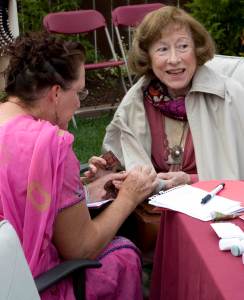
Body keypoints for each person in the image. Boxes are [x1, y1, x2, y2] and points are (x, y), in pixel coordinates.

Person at [0, 32, 157, 300]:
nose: (80, 101)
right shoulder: (50, 146)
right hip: (25, 285)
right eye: (80, 91)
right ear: (57, 93)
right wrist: (129, 196)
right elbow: (82, 248)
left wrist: (79, 185)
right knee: (124, 253)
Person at [102, 5, 244, 189]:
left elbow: (238, 173)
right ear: (148, 57)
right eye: (162, 49)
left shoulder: (231, 96)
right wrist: (105, 171)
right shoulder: (136, 100)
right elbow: (119, 159)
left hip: (214, 204)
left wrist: (191, 181)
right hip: (151, 209)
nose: (174, 59)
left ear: (196, 50)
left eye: (183, 46)